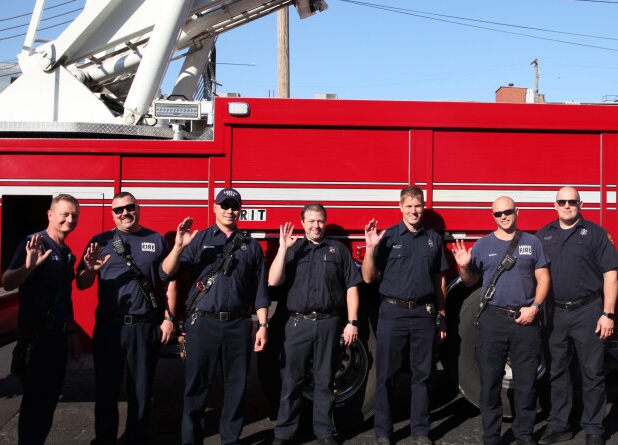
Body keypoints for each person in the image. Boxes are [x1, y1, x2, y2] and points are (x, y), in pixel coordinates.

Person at [161, 188, 269, 445]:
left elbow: (260, 290)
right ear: (215, 207)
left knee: (236, 389)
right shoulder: (199, 240)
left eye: (234, 206)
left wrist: (263, 325)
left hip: (239, 325)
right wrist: (178, 247)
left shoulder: (251, 245)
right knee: (196, 389)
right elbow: (166, 273)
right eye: (225, 205)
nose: (230, 210)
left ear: (240, 209)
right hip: (203, 323)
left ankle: (230, 440)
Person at [76, 192, 176, 444]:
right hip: (110, 328)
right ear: (112, 214)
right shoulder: (100, 241)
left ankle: (136, 437)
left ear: (138, 208)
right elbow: (81, 284)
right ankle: (105, 439)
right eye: (118, 210)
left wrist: (169, 317)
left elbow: (169, 281)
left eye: (129, 207)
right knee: (106, 390)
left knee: (141, 391)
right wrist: (89, 269)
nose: (124, 213)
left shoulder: (156, 239)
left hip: (144, 327)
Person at [452, 196, 550, 445]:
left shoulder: (532, 243)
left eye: (508, 211)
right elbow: (470, 281)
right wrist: (463, 266)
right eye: (498, 213)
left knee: (527, 384)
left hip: (524, 321)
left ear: (518, 211)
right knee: (490, 383)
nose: (504, 216)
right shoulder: (483, 245)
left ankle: (525, 434)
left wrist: (535, 307)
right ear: (492, 216)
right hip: (492, 320)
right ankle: (491, 436)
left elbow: (544, 278)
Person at [269, 203, 362, 445]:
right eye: (311, 221)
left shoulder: (337, 250)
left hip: (329, 323)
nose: (316, 225)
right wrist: (281, 249)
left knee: (324, 381)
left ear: (325, 221)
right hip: (297, 324)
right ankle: (284, 433)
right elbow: (274, 281)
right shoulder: (293, 249)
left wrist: (352, 322)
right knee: (291, 381)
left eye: (320, 221)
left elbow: (352, 287)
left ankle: (324, 433)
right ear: (302, 223)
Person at [361, 185, 448, 445]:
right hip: (392, 313)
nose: (414, 211)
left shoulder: (433, 238)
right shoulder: (387, 238)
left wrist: (442, 314)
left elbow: (440, 280)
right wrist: (369, 248)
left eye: (418, 206)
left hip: (424, 313)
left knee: (423, 376)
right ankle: (383, 432)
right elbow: (367, 277)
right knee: (386, 375)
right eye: (409, 206)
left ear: (423, 207)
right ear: (400, 207)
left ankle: (420, 431)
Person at [536, 187, 618, 445]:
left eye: (571, 201)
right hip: (556, 314)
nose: (566, 205)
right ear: (555, 205)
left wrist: (608, 313)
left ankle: (594, 428)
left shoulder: (595, 234)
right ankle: (559, 425)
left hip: (588, 311)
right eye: (562, 201)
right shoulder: (543, 236)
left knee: (592, 373)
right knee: (557, 371)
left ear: (580, 203)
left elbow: (611, 276)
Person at [2, 194, 80, 445]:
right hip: (36, 339)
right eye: (65, 214)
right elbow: (7, 283)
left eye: (74, 215)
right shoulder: (34, 242)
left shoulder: (67, 253)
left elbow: (64, 297)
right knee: (36, 404)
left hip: (57, 338)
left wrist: (70, 332)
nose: (70, 219)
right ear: (50, 215)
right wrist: (28, 267)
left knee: (48, 404)